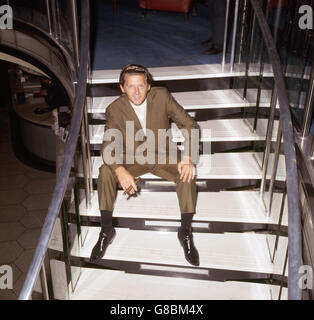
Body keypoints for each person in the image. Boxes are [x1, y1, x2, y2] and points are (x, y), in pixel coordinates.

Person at [89, 64, 200, 266]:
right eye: (131, 86)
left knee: (187, 172)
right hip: (135, 158)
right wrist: (120, 169)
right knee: (106, 171)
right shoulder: (114, 109)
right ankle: (106, 229)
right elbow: (107, 146)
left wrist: (188, 156)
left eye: (141, 85)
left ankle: (185, 230)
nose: (137, 92)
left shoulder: (162, 96)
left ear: (149, 85)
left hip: (163, 156)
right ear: (122, 87)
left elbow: (190, 125)